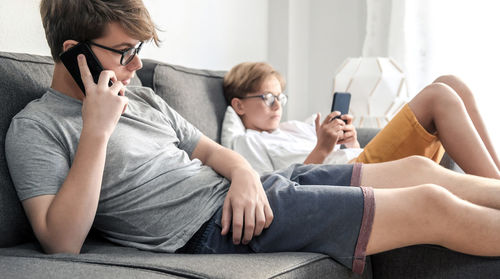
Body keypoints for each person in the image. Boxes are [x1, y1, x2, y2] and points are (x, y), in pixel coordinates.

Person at [5, 0, 500, 276]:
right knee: (430, 201)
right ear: (74, 53)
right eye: (123, 53)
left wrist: (243, 173)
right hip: (213, 227)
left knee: (419, 170)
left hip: (255, 190)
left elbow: (213, 151)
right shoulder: (37, 127)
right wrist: (96, 130)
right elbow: (61, 241)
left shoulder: (148, 101)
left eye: (139, 51)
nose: (136, 65)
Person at [222, 62, 500, 179]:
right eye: (268, 98)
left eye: (280, 98)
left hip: (360, 160)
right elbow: (279, 191)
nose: (277, 106)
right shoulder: (246, 144)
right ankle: (494, 191)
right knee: (438, 95)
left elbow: (340, 154)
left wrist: (349, 141)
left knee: (451, 83)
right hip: (352, 178)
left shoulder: (292, 127)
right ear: (239, 105)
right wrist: (321, 149)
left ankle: (496, 180)